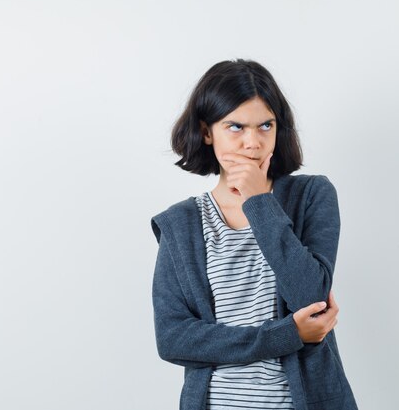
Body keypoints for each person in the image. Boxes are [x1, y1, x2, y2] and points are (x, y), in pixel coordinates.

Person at [150, 59, 358, 410]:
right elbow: (173, 339)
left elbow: (311, 297)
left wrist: (259, 203)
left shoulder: (312, 195)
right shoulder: (180, 223)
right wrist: (285, 335)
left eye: (265, 125)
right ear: (206, 132)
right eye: (235, 127)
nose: (253, 142)